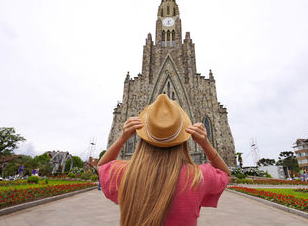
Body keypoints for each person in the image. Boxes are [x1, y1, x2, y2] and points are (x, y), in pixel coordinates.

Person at [98, 94, 231, 226]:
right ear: (183, 139)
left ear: (144, 138)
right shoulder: (198, 177)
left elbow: (102, 167)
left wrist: (123, 137)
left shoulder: (125, 174)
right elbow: (225, 174)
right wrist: (205, 144)